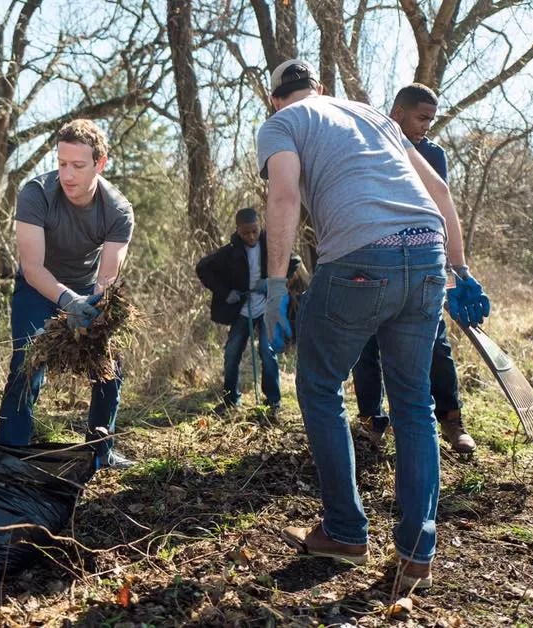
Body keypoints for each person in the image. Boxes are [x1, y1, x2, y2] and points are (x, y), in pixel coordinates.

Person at [257, 60, 490, 592]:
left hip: (361, 260)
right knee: (414, 403)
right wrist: (461, 269)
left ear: (274, 99)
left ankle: (345, 531)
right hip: (427, 252)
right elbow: (441, 194)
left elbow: (285, 195)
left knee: (319, 386)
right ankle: (416, 553)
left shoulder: (281, 125)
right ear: (319, 89)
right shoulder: (371, 115)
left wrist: (274, 287)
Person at [0, 119, 135, 469]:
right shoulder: (36, 193)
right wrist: (66, 301)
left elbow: (108, 276)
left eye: (78, 165)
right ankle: (10, 452)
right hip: (37, 288)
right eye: (61, 163)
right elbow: (33, 267)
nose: (67, 175)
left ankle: (100, 450)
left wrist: (93, 307)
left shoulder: (117, 209)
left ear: (100, 164)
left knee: (110, 365)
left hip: (89, 290)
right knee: (27, 362)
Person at [352, 83, 475, 453]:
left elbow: (441, 210)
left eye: (431, 120)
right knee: (366, 343)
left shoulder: (433, 155)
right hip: (375, 257)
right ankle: (371, 422)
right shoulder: (367, 145)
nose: (426, 126)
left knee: (436, 344)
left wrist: (457, 269)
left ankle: (452, 420)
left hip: (424, 262)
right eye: (422, 118)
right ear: (399, 112)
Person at [195, 206, 299, 416]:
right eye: (245, 233)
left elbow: (294, 261)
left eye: (254, 230)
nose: (251, 236)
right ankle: (231, 400)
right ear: (238, 231)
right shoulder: (230, 251)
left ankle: (273, 403)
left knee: (267, 353)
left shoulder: (271, 244)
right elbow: (203, 268)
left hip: (266, 306)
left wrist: (270, 282)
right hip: (243, 309)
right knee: (232, 352)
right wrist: (226, 293)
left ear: (259, 226)